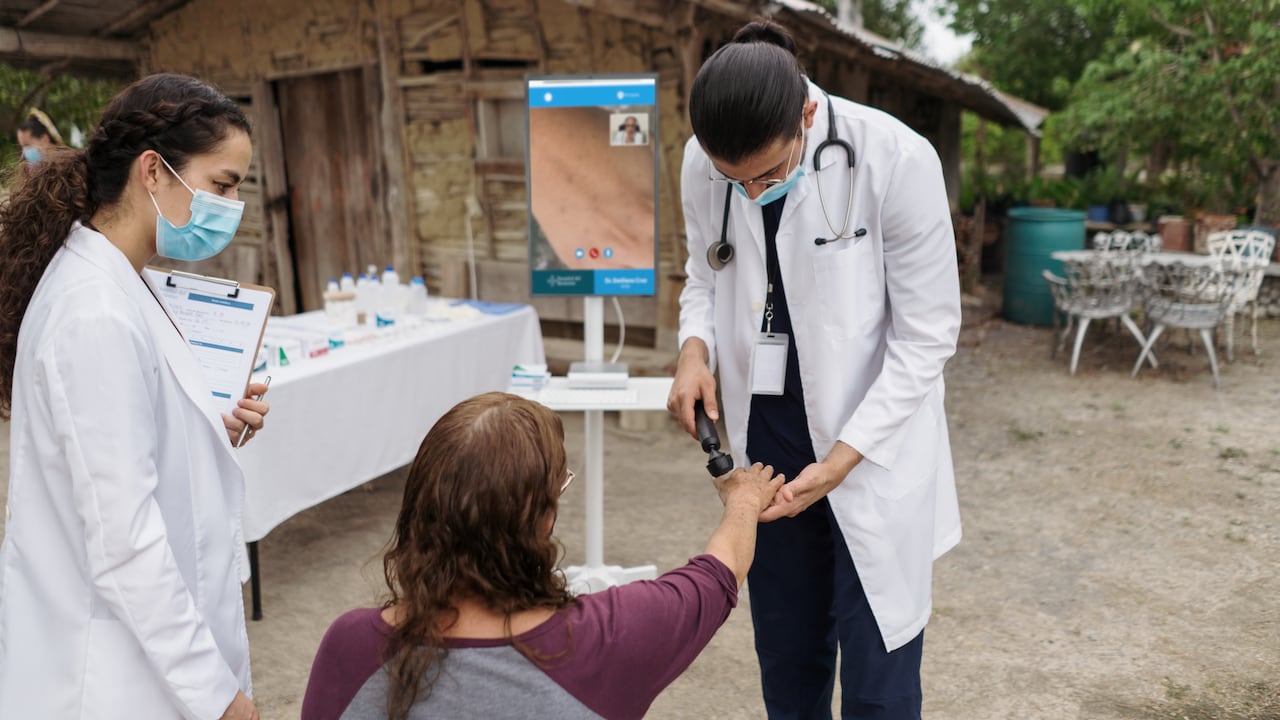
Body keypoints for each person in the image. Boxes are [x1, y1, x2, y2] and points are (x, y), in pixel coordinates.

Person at [667, 19, 962, 720]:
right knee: (788, 662)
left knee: (877, 685)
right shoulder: (704, 162)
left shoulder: (895, 158)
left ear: (807, 111)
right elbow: (703, 277)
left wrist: (841, 460)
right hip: (770, 443)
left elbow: (928, 334)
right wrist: (692, 349)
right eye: (729, 179)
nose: (746, 193)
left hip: (872, 442)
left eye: (765, 176)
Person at [0, 74, 269, 720]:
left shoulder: (121, 278)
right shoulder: (94, 311)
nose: (233, 208)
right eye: (223, 185)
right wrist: (219, 698)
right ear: (154, 171)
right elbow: (124, 540)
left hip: (140, 667)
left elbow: (123, 448)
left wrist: (208, 425)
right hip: (113, 681)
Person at [302, 391, 783, 720]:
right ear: (543, 519)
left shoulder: (349, 645)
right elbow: (720, 571)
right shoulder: (611, 636)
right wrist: (744, 499)